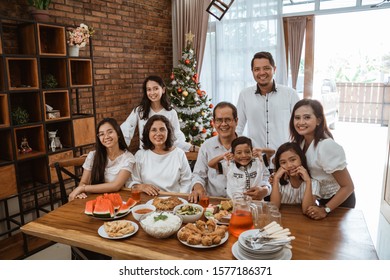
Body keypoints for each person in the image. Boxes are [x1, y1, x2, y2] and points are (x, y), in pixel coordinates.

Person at [189, 102, 270, 202]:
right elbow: (198, 175)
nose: (223, 124)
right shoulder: (206, 146)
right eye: (219, 120)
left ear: (236, 121)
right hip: (215, 202)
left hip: (246, 203)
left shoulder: (250, 144)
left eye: (228, 120)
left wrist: (265, 190)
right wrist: (198, 188)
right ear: (214, 122)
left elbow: (265, 175)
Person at [290, 99, 356, 220]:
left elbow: (348, 187)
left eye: (307, 117)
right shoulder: (299, 142)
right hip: (319, 199)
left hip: (339, 202)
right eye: (297, 117)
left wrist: (325, 209)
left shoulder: (326, 146)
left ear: (318, 120)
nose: (301, 122)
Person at [236, 51, 300, 156]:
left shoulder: (290, 94)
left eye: (266, 68)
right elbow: (238, 127)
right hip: (256, 160)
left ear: (274, 69)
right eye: (257, 69)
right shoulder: (244, 95)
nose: (261, 73)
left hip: (284, 158)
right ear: (252, 71)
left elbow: (298, 126)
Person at [120, 75, 194, 152]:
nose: (152, 92)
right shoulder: (139, 111)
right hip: (145, 155)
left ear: (163, 90)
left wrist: (190, 147)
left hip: (165, 154)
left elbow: (176, 137)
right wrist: (119, 150)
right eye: (149, 89)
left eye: (155, 88)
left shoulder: (171, 113)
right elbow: (126, 131)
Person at [68, 118, 135, 201]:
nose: (106, 137)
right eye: (101, 134)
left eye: (110, 132)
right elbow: (83, 182)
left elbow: (116, 186)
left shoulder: (128, 158)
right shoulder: (93, 156)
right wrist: (81, 190)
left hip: (120, 199)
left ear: (118, 133)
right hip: (95, 199)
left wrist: (83, 189)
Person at [130, 114, 192, 194]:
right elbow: (132, 182)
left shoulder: (179, 154)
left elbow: (187, 182)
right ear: (148, 133)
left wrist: (180, 199)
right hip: (147, 201)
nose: (158, 133)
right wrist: (141, 187)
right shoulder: (140, 155)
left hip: (175, 200)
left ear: (168, 132)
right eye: (154, 130)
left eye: (162, 129)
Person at [270, 142, 320, 215]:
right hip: (284, 219)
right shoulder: (278, 182)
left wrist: (308, 181)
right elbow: (274, 208)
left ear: (301, 159)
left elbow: (307, 210)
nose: (289, 165)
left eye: (293, 160)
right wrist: (276, 179)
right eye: (283, 162)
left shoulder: (313, 183)